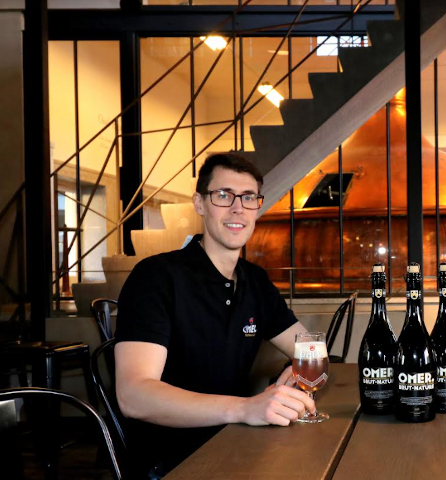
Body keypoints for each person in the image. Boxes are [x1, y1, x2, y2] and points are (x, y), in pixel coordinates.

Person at [115, 153, 314, 478]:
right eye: (223, 195)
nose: (238, 208)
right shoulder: (156, 276)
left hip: (238, 443)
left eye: (248, 198)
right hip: (170, 461)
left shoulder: (255, 281)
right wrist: (244, 408)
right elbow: (134, 396)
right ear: (200, 204)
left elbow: (311, 349)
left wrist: (295, 376)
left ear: (257, 208)